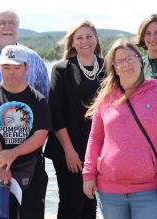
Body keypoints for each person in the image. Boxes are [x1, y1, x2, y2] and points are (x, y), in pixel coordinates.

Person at [82, 38, 157, 219]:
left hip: (149, 189)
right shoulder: (106, 98)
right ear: (114, 68)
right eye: (120, 61)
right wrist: (88, 173)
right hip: (109, 190)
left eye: (130, 58)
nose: (126, 64)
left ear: (140, 61)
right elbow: (95, 137)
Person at [0, 10, 50, 218]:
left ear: (26, 68)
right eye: (6, 67)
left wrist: (12, 155)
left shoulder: (38, 92)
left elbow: (41, 131)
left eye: (16, 67)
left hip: (30, 162)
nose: (11, 71)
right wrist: (2, 163)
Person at [44, 20, 104, 219]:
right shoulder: (62, 69)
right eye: (79, 37)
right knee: (72, 202)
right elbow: (55, 112)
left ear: (96, 39)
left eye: (88, 36)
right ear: (72, 42)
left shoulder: (108, 67)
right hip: (68, 148)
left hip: (98, 149)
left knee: (91, 202)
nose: (84, 41)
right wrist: (69, 151)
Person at [0, 10, 49, 94]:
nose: (7, 27)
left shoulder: (34, 59)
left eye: (12, 23)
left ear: (17, 28)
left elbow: (46, 96)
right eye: (1, 23)